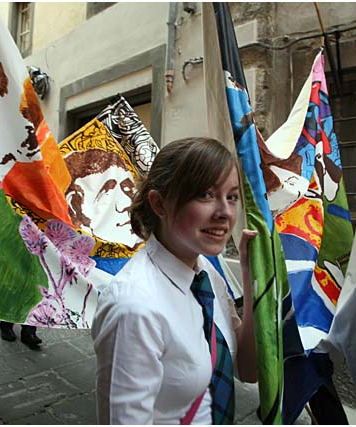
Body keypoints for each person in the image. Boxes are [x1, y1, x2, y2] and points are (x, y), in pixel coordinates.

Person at [91, 137, 258, 424]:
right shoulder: (134, 307)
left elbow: (247, 369)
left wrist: (251, 278)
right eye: (205, 194)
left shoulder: (206, 275)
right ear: (159, 204)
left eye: (232, 196)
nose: (225, 213)